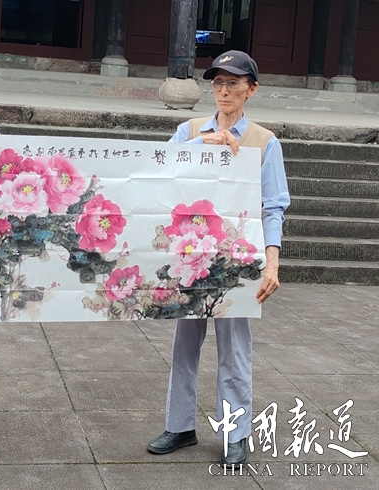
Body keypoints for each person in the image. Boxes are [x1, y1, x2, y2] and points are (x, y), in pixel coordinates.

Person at [146, 50, 290, 465]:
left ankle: (235, 433)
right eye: (218, 82)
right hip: (190, 255)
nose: (224, 90)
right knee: (184, 343)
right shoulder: (189, 129)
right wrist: (200, 145)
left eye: (234, 83)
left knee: (234, 347)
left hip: (237, 260)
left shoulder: (264, 141)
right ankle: (179, 425)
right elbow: (158, 173)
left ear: (251, 89)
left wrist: (272, 263)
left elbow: (273, 207)